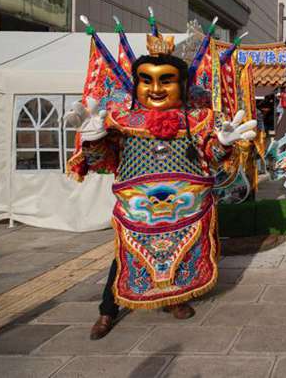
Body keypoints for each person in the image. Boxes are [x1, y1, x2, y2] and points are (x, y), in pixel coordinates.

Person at [65, 32, 256, 340]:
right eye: (146, 80)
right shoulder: (121, 120)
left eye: (166, 80)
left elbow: (212, 157)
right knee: (126, 257)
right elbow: (104, 163)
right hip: (138, 210)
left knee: (179, 257)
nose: (155, 89)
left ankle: (174, 300)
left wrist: (223, 143)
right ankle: (107, 311)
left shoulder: (198, 119)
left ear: (182, 84)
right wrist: (94, 140)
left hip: (185, 209)